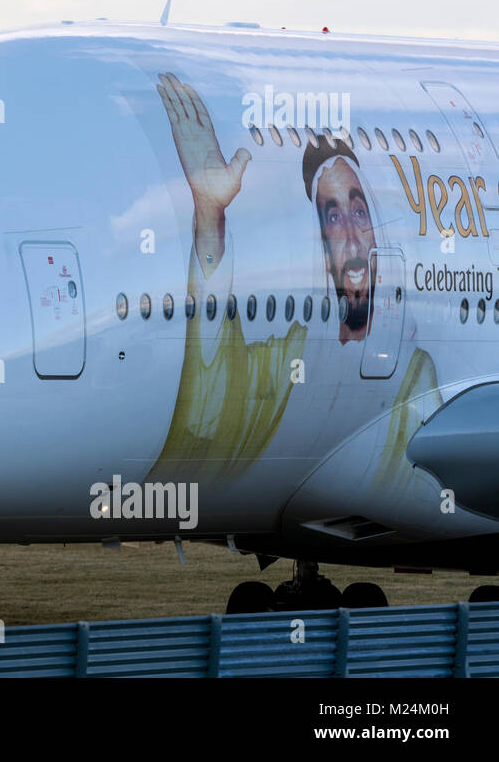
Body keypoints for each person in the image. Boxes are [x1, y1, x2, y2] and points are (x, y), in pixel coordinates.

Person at [147, 73, 439, 494]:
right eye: (333, 217)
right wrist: (210, 215)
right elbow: (215, 400)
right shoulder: (290, 359)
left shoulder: (417, 374)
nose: (353, 239)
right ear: (322, 248)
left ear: (377, 232)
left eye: (359, 213)